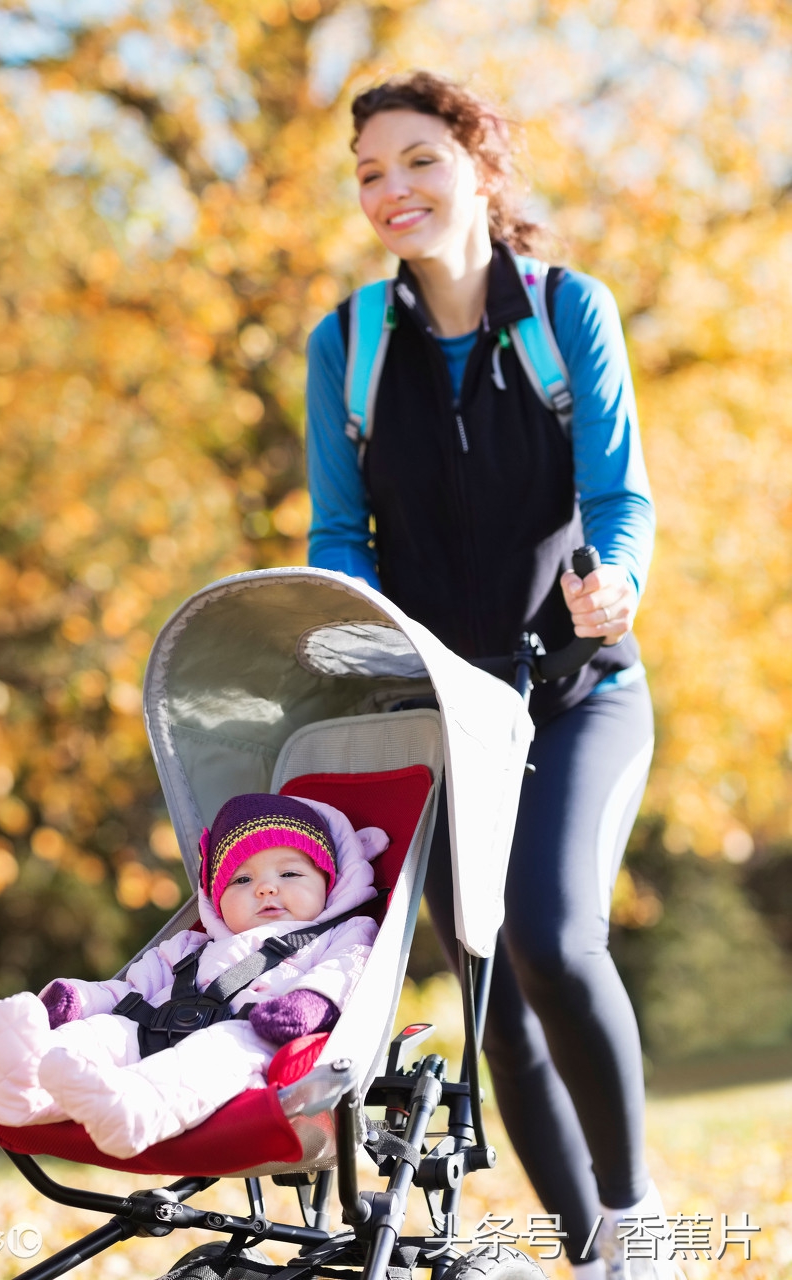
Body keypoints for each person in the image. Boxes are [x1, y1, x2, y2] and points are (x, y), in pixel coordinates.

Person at [305, 72, 668, 1280]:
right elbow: (338, 534)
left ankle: (637, 1222)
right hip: (444, 715)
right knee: (493, 1009)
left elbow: (619, 494)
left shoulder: (568, 312)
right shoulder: (348, 345)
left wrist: (614, 576)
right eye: (367, 172)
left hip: (580, 694)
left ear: (477, 165)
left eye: (414, 160)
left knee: (552, 937)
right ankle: (595, 1261)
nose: (389, 190)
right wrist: (344, 638)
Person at [0, 793, 385, 1159]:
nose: (265, 889)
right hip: (152, 1029)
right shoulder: (189, 946)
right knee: (104, 1032)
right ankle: (22, 1086)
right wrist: (80, 1000)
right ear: (217, 899)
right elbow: (132, 990)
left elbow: (348, 969)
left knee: (211, 1054)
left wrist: (308, 1002)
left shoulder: (340, 933)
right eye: (242, 879)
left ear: (329, 881)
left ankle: (134, 1112)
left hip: (249, 1039)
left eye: (289, 874)